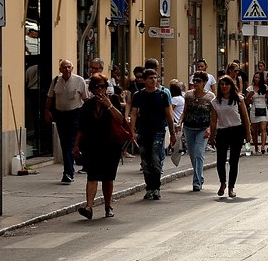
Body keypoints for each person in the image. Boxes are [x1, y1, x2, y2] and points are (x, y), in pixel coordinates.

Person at [73, 73, 125, 219]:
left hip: (111, 145)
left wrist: (109, 106)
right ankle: (89, 207)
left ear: (106, 87)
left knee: (108, 177)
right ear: (91, 89)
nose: (99, 89)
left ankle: (108, 206)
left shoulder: (113, 100)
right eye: (96, 87)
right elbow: (81, 127)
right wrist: (76, 145)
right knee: (92, 175)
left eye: (102, 86)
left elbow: (121, 120)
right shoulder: (88, 105)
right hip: (92, 145)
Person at [130, 69, 176, 200]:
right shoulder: (138, 95)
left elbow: (169, 114)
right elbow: (134, 113)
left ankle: (156, 188)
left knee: (156, 159)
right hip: (143, 131)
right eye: (150, 78)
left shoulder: (162, 95)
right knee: (145, 162)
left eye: (155, 78)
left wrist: (172, 132)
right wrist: (132, 131)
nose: (153, 80)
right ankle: (149, 188)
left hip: (158, 131)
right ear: (144, 80)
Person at [44, 59, 89, 184]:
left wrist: (88, 116)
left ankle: (68, 173)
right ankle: (71, 168)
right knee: (64, 143)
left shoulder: (79, 80)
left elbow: (86, 99)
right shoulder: (55, 81)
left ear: (72, 68)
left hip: (75, 114)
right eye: (64, 67)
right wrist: (47, 111)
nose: (67, 69)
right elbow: (50, 97)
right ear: (60, 69)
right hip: (60, 115)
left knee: (70, 143)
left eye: (69, 67)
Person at [209, 75, 251, 198]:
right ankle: (223, 183)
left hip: (236, 130)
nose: (224, 86)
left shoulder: (238, 99)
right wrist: (212, 135)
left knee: (234, 160)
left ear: (231, 86)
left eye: (226, 84)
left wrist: (248, 133)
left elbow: (245, 116)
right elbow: (213, 120)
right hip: (222, 131)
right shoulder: (215, 102)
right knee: (220, 160)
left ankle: (231, 187)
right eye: (222, 84)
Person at [180, 72, 215, 191]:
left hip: (203, 129)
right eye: (194, 80)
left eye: (198, 81)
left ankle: (197, 182)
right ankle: (199, 175)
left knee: (199, 153)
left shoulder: (210, 97)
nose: (195, 83)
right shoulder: (188, 95)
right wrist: (180, 122)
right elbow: (185, 111)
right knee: (192, 155)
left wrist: (210, 128)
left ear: (204, 82)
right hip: (189, 128)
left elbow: (213, 115)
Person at [245, 72, 268, 154]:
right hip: (254, 109)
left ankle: (263, 146)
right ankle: (255, 147)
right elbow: (246, 101)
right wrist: (249, 96)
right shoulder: (250, 88)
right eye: (255, 77)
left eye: (258, 78)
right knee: (254, 131)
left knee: (263, 128)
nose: (257, 79)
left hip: (263, 108)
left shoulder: (265, 87)